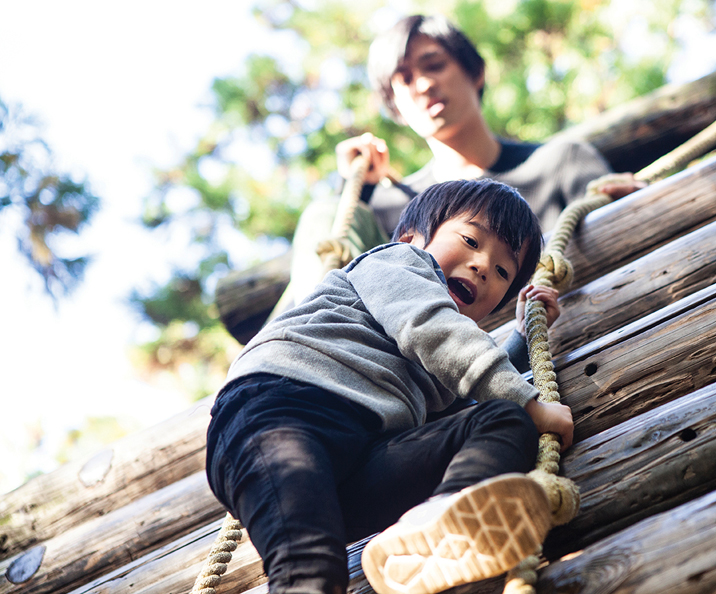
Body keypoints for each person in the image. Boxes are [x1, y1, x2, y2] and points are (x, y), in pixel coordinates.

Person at [206, 179, 574, 594]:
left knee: (501, 420)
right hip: (281, 412)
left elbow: (460, 395)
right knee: (309, 569)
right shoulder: (399, 263)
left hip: (358, 456)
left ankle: (438, 519)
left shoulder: (436, 365)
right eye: (471, 240)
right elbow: (432, 329)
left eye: (503, 271)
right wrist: (532, 404)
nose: (484, 265)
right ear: (411, 236)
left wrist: (522, 342)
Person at [276, 14, 643, 314]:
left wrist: (627, 198)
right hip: (397, 360)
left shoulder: (560, 161)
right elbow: (343, 252)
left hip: (536, 338)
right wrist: (357, 188)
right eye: (403, 81)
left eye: (434, 65)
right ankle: (304, 341)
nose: (422, 84)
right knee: (325, 211)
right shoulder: (389, 209)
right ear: (395, 108)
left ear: (476, 72)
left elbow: (617, 225)